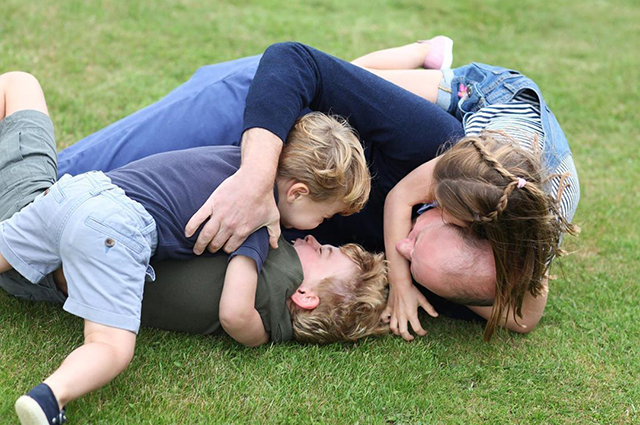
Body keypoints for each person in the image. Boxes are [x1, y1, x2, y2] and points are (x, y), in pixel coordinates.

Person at [56, 40, 579, 340]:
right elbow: (291, 60)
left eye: (414, 264)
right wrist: (256, 182)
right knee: (55, 188)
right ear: (449, 206)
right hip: (269, 118)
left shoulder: (476, 274)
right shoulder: (441, 156)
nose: (399, 248)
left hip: (325, 177)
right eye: (416, 237)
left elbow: (523, 316)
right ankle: (423, 62)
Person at [0, 72, 382, 425]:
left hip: (78, 193)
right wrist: (259, 336)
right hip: (114, 228)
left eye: (324, 247)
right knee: (111, 346)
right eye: (324, 220)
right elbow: (235, 313)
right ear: (297, 192)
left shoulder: (240, 158)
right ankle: (51, 397)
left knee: (18, 85)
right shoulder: (255, 215)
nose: (317, 236)